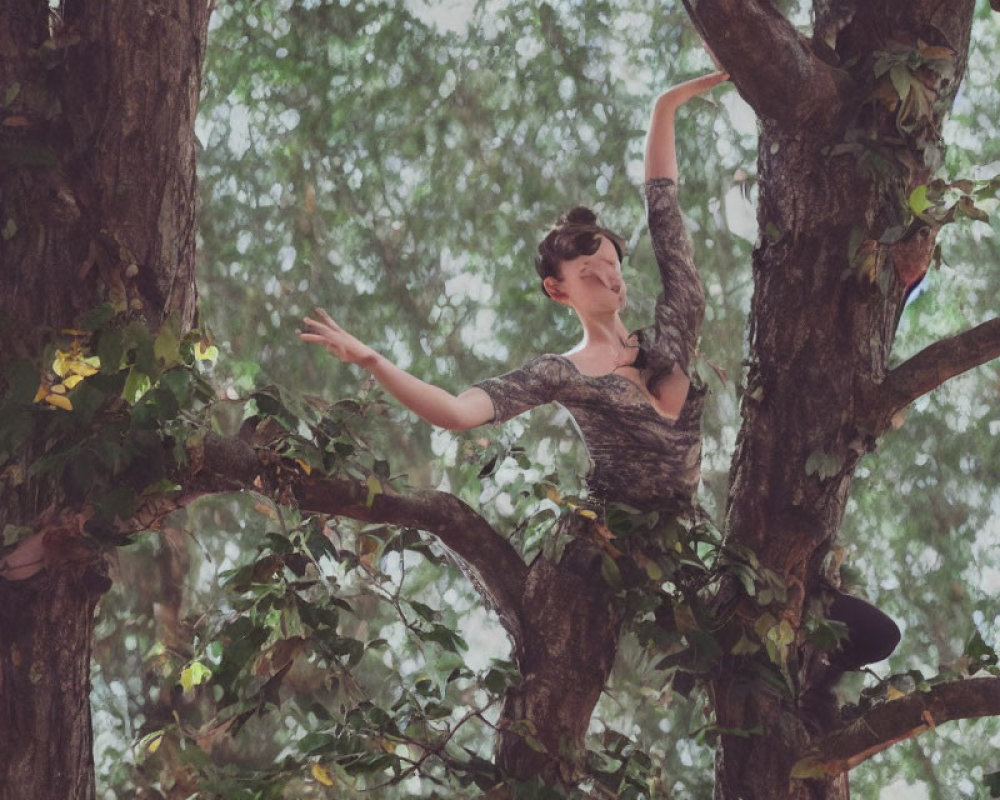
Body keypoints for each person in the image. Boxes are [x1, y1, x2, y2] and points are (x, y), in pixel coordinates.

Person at [299, 71, 899, 675]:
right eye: (589, 271)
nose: (609, 278)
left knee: (843, 628)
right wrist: (375, 362)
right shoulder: (566, 372)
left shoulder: (670, 333)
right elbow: (458, 413)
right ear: (557, 289)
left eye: (612, 266)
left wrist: (666, 103)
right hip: (612, 555)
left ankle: (809, 647)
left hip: (688, 548)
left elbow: (663, 206)